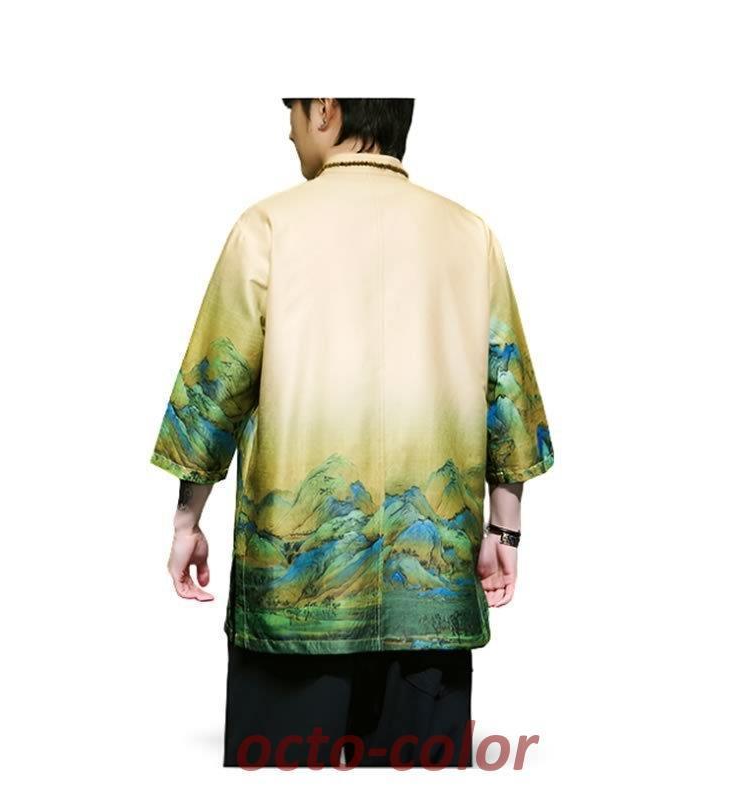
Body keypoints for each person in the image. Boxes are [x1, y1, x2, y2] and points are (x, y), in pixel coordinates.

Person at [149, 97, 555, 769]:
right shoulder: (469, 235)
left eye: (292, 109)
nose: (288, 128)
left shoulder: (267, 227)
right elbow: (507, 397)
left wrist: (186, 520)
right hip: (430, 609)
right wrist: (504, 532)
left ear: (326, 110)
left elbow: (214, 391)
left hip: (291, 612)